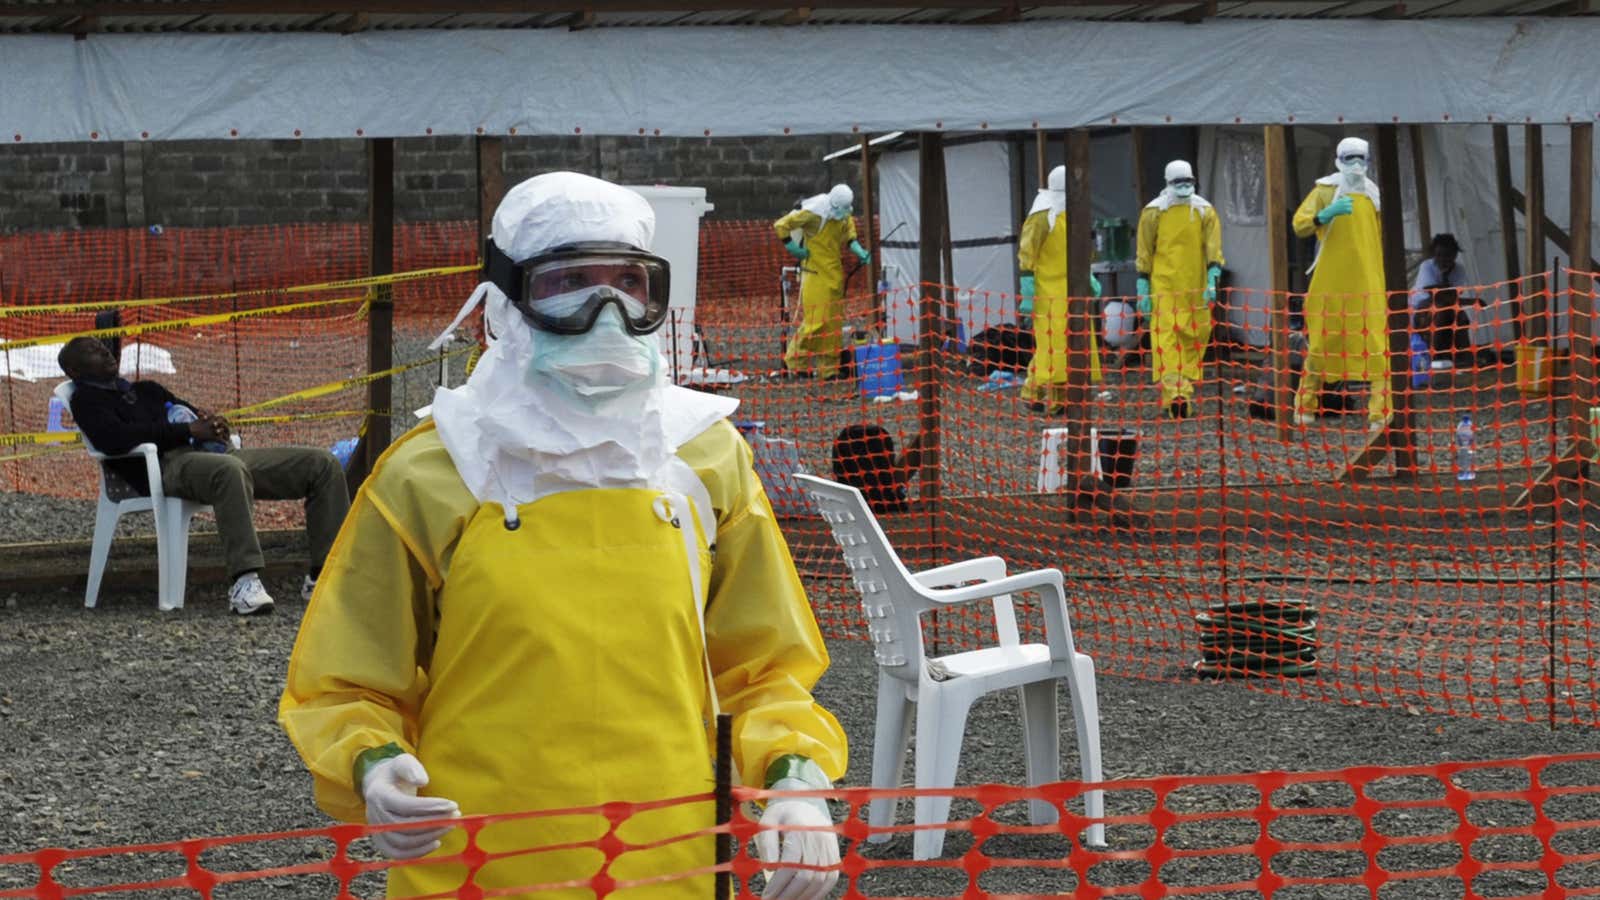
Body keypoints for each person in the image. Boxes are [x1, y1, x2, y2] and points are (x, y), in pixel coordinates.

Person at [279, 172, 848, 900]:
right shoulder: (432, 471)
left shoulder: (704, 457)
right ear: (505, 301)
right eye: (569, 282)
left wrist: (796, 778)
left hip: (668, 863)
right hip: (477, 866)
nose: (604, 313)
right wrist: (372, 765)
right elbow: (346, 677)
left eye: (628, 283)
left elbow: (765, 665)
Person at [58, 336, 348, 615]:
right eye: (92, 350)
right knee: (229, 471)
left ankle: (324, 575)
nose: (105, 352)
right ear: (74, 370)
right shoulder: (88, 400)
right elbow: (113, 439)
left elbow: (191, 416)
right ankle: (244, 582)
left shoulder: (147, 389)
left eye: (103, 347)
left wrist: (213, 424)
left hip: (215, 455)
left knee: (322, 464)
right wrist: (186, 432)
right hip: (167, 467)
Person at [1291, 137, 1390, 432]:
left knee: (1376, 345)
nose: (1356, 164)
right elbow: (1299, 223)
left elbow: (1380, 237)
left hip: (1368, 281)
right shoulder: (1324, 190)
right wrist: (1324, 215)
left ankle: (1380, 413)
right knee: (1322, 342)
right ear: (1339, 159)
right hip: (1330, 282)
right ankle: (1304, 407)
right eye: (1350, 158)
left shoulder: (1374, 195)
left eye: (1361, 158)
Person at [1135, 160, 1225, 420]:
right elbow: (1144, 248)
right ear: (1167, 182)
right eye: (1178, 182)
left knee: (1194, 338)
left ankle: (1179, 390)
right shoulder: (1153, 212)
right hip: (1164, 286)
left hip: (1196, 287)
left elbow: (1213, 247)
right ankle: (1177, 394)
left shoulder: (1204, 211)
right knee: (1167, 339)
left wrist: (1213, 274)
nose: (1184, 186)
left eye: (1188, 181)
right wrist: (1143, 282)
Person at [1017, 164, 1104, 416]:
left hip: (1073, 289)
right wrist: (1028, 287)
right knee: (1052, 346)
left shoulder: (1076, 210)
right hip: (1047, 291)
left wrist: (1088, 276)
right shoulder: (1043, 214)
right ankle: (1032, 391)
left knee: (1073, 344)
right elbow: (1027, 251)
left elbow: (1080, 250)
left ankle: (1062, 400)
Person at [773, 183, 870, 380]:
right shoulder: (815, 213)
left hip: (834, 276)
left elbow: (849, 235)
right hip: (814, 275)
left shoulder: (844, 214)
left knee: (833, 326)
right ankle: (794, 362)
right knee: (815, 323)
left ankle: (829, 370)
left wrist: (859, 249)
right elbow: (781, 225)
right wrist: (793, 248)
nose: (842, 215)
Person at [1409, 232, 1481, 368]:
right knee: (1441, 309)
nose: (1443, 259)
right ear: (1434, 255)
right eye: (1439, 255)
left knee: (1460, 316)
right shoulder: (1427, 266)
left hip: (1446, 305)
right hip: (1420, 307)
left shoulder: (1459, 269)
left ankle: (1464, 355)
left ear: (1455, 255)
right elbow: (1433, 295)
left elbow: (1453, 295)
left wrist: (1451, 295)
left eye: (1447, 255)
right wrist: (1471, 301)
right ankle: (1433, 355)